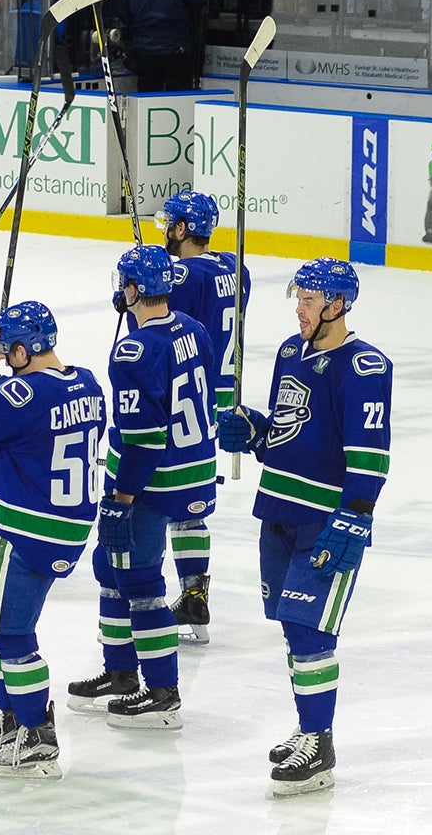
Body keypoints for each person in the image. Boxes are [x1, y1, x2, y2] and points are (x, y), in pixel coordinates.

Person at [215, 257, 392, 797]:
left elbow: (370, 456)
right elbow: (286, 441)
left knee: (310, 629)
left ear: (337, 306)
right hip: (279, 513)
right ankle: (308, 725)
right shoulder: (292, 353)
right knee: (292, 627)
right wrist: (253, 432)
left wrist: (356, 516)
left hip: (326, 521)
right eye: (300, 299)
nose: (300, 309)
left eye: (310, 301)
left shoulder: (365, 367)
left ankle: (319, 743)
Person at [0, 301, 106, 780]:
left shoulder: (19, 395)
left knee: (7, 634)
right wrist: (4, 389)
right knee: (5, 631)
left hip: (24, 527)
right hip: (70, 526)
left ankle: (35, 734)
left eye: (5, 348)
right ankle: (12, 722)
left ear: (17, 349)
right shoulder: (88, 382)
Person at [64, 245, 218, 731]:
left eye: (124, 282)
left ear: (133, 289)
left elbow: (145, 440)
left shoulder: (134, 350)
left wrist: (121, 497)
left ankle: (162, 691)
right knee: (109, 567)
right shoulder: (192, 328)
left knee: (139, 582)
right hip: (194, 466)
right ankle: (121, 672)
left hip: (153, 481)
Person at [159, 189, 248, 644]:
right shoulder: (238, 267)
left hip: (185, 395)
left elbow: (156, 325)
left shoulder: (181, 275)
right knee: (191, 496)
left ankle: (143, 597)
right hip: (222, 395)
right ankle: (195, 593)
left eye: (167, 226)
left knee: (155, 489)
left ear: (179, 230)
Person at [104, 0, 204, 92]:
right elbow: (198, 2)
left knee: (147, 100)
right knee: (180, 99)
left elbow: (124, 16)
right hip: (176, 51)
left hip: (145, 53)